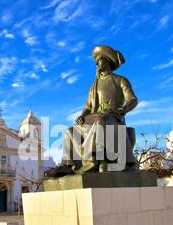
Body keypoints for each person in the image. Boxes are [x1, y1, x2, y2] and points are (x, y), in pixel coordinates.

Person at [47, 45, 138, 177]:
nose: (97, 64)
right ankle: (68, 164)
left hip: (112, 117)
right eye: (96, 62)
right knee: (69, 131)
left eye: (99, 60)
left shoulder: (120, 80)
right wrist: (82, 115)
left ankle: (94, 159)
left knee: (100, 121)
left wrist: (122, 110)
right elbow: (88, 106)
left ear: (107, 61)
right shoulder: (94, 85)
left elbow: (132, 99)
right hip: (94, 117)